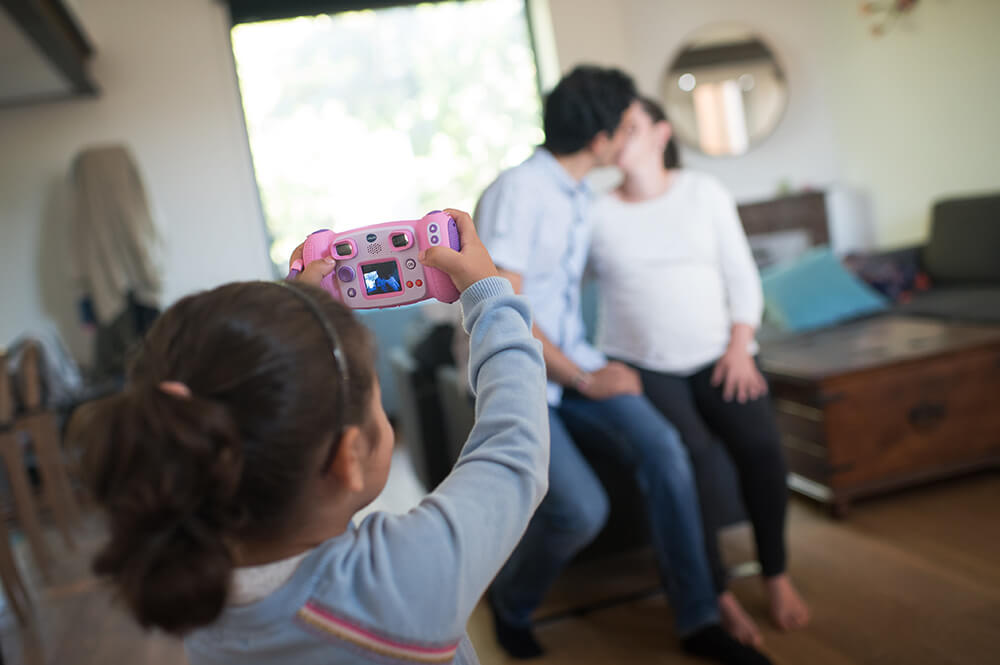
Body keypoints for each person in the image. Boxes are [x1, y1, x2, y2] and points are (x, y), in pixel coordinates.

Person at [73, 210, 551, 665]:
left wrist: (293, 325)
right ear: (349, 457)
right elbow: (513, 445)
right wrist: (491, 295)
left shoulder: (198, 594)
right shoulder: (402, 581)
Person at [475, 65, 771, 665]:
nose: (627, 137)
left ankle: (699, 618)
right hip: (527, 379)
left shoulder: (582, 195)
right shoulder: (520, 191)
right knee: (582, 512)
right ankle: (511, 602)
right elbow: (504, 311)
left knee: (666, 449)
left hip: (574, 365)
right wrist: (585, 377)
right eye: (624, 127)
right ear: (600, 140)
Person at [587, 97, 811, 647]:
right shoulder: (593, 211)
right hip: (645, 367)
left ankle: (776, 575)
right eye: (614, 129)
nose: (620, 138)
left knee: (763, 454)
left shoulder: (702, 192)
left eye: (632, 127)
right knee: (691, 470)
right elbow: (557, 283)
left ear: (662, 133)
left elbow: (741, 276)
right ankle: (718, 596)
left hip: (723, 354)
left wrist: (740, 347)